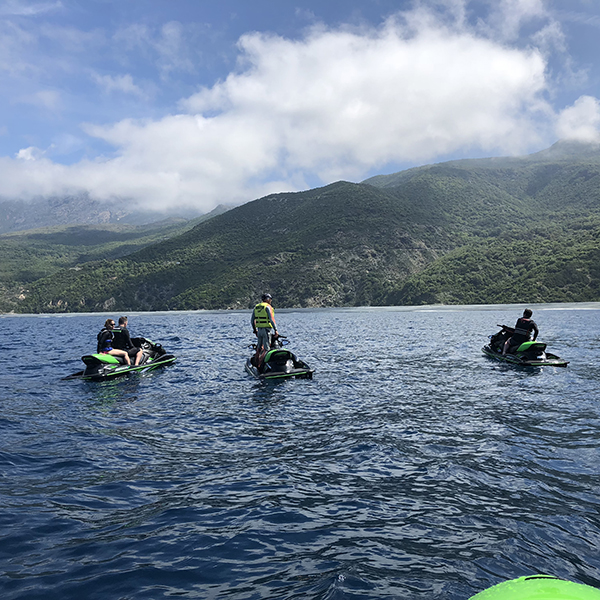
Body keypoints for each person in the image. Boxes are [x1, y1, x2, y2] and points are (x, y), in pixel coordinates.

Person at [251, 293, 279, 368]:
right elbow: (271, 319)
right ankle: (261, 365)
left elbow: (252, 320)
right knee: (266, 349)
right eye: (270, 299)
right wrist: (276, 330)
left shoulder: (256, 307)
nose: (271, 300)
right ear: (267, 299)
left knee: (259, 347)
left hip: (259, 330)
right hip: (266, 330)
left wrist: (255, 330)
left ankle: (256, 363)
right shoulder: (268, 307)